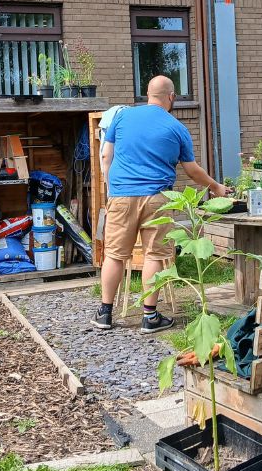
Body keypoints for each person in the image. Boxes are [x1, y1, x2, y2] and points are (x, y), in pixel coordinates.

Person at [94, 75, 227, 333]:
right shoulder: (177, 127)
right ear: (172, 97)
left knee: (114, 254)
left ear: (147, 94)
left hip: (121, 196)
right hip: (157, 199)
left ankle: (104, 313)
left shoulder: (122, 117)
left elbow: (106, 154)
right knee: (154, 255)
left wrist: (112, 188)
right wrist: (216, 187)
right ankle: (149, 317)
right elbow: (191, 170)